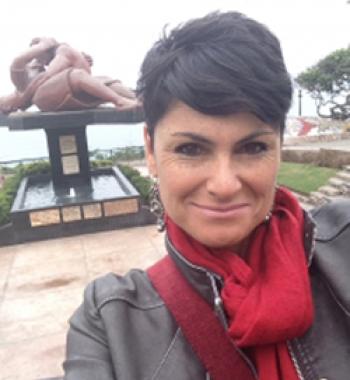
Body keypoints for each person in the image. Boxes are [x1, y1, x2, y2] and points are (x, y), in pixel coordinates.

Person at [63, 11, 350, 380]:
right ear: (151, 151)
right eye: (190, 150)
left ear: (279, 145)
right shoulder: (111, 319)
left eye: (253, 147)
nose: (224, 184)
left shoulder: (343, 246)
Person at [0, 37, 138, 114]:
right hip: (45, 99)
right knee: (77, 75)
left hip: (55, 96)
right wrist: (43, 46)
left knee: (105, 80)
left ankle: (138, 98)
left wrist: (77, 60)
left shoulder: (43, 75)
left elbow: (54, 75)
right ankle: (119, 101)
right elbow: (18, 62)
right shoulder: (21, 76)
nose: (39, 62)